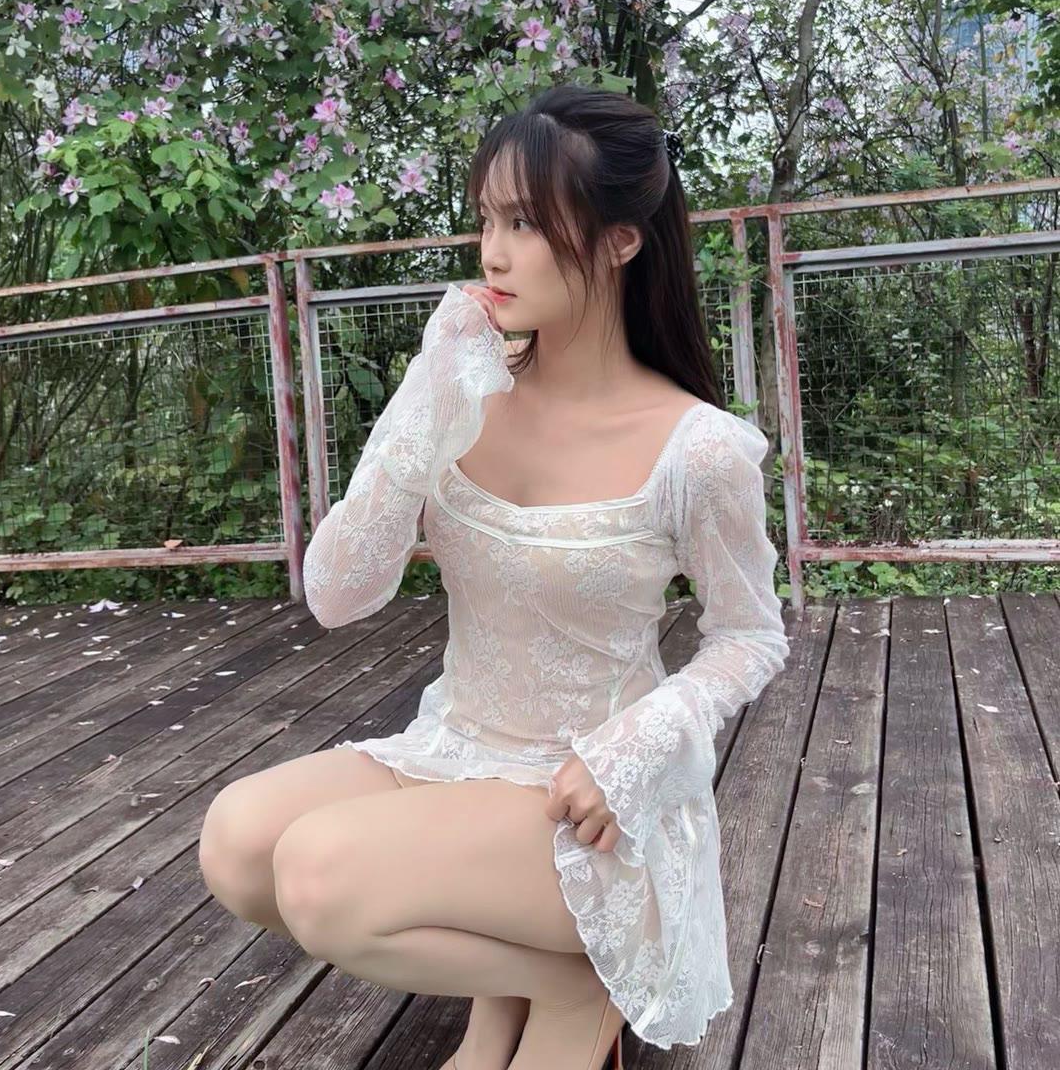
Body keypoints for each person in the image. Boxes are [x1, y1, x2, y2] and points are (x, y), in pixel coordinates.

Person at [198, 83, 791, 1069]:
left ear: (619, 241)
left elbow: (750, 636)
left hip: (592, 802)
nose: (493, 252)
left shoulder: (700, 448)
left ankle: (583, 983)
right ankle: (565, 982)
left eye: (525, 223)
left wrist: (640, 743)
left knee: (318, 875)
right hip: (456, 747)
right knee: (238, 843)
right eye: (486, 219)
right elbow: (338, 594)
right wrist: (427, 395)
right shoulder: (465, 393)